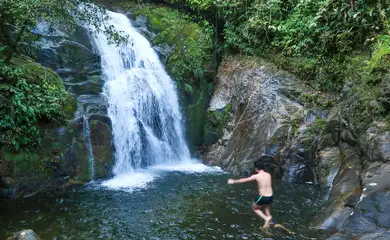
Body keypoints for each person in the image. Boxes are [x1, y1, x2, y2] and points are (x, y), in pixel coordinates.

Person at [228, 160, 274, 228]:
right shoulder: (268, 175)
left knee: (255, 208)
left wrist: (234, 181)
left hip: (262, 197)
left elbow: (245, 180)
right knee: (266, 206)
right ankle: (270, 219)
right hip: (270, 196)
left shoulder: (257, 176)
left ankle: (266, 218)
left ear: (256, 168)